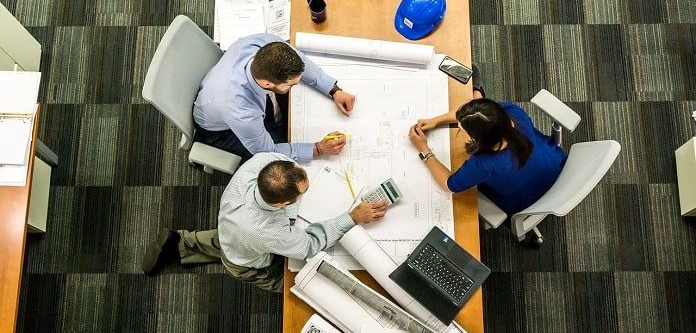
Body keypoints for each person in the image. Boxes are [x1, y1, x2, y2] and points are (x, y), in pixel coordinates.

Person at [141, 152, 388, 292]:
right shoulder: (266, 231)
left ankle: (180, 242)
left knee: (227, 239)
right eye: (302, 193)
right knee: (293, 283)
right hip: (247, 259)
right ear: (282, 204)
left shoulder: (262, 163)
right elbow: (309, 245)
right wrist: (351, 217)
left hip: (231, 226)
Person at [193, 33, 356, 163]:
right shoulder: (241, 112)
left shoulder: (265, 44)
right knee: (280, 152)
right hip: (220, 131)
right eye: (291, 84)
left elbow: (301, 61)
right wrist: (318, 149)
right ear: (267, 84)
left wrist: (333, 90)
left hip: (222, 92)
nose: (296, 85)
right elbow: (268, 151)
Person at [407, 95, 566, 220]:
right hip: (557, 166)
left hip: (526, 201)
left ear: (479, 139)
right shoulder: (513, 113)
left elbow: (449, 184)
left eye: (463, 128)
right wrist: (435, 121)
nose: (460, 127)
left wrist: (424, 149)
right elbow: (479, 114)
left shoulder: (483, 164)